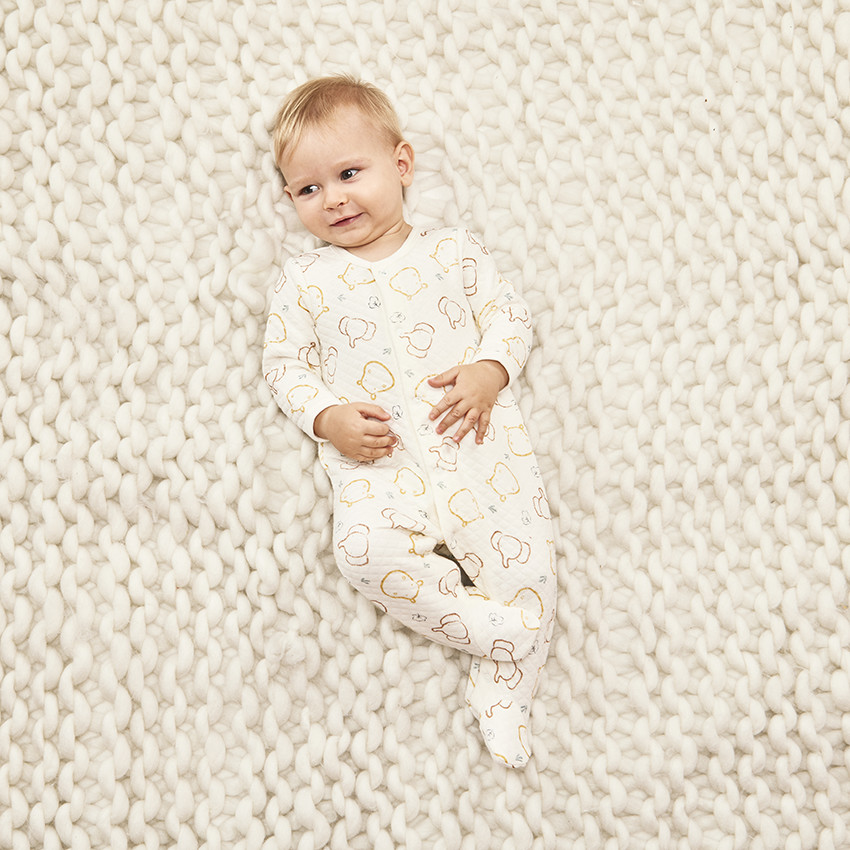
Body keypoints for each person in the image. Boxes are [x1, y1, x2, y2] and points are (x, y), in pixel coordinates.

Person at [263, 75, 556, 767]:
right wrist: (327, 416)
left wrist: (489, 371)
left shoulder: (451, 252)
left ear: (401, 165)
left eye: (349, 174)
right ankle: (504, 634)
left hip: (477, 449)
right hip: (379, 466)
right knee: (362, 553)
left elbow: (510, 317)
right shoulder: (305, 282)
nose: (333, 199)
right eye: (308, 189)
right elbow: (284, 364)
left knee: (526, 562)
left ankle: (504, 691)